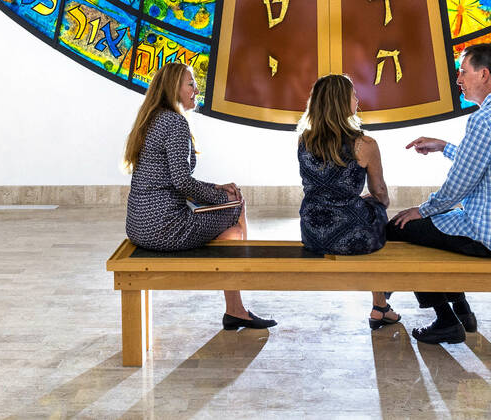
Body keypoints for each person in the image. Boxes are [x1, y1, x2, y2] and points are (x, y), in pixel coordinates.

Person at [387, 43, 491, 344]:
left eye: (462, 72)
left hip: (490, 237)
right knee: (434, 227)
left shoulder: (483, 120)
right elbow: (486, 162)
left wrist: (423, 209)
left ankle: (445, 319)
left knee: (401, 228)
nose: (458, 79)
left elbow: (460, 183)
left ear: (484, 74)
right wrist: (444, 147)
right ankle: (461, 308)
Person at [122, 62, 275, 330]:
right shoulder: (175, 123)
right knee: (237, 207)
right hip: (163, 228)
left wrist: (215, 189)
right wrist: (221, 198)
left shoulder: (151, 119)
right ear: (174, 88)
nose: (196, 89)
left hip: (139, 226)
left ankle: (234, 303)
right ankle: (237, 307)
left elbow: (172, 179)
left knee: (226, 215)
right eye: (190, 84)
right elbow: (181, 181)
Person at [297, 74, 400, 329]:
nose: (358, 99)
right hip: (352, 236)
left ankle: (381, 307)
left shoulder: (304, 140)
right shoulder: (364, 144)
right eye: (353, 94)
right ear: (343, 102)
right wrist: (374, 203)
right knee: (382, 218)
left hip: (313, 232)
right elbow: (380, 192)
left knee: (368, 211)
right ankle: (381, 298)